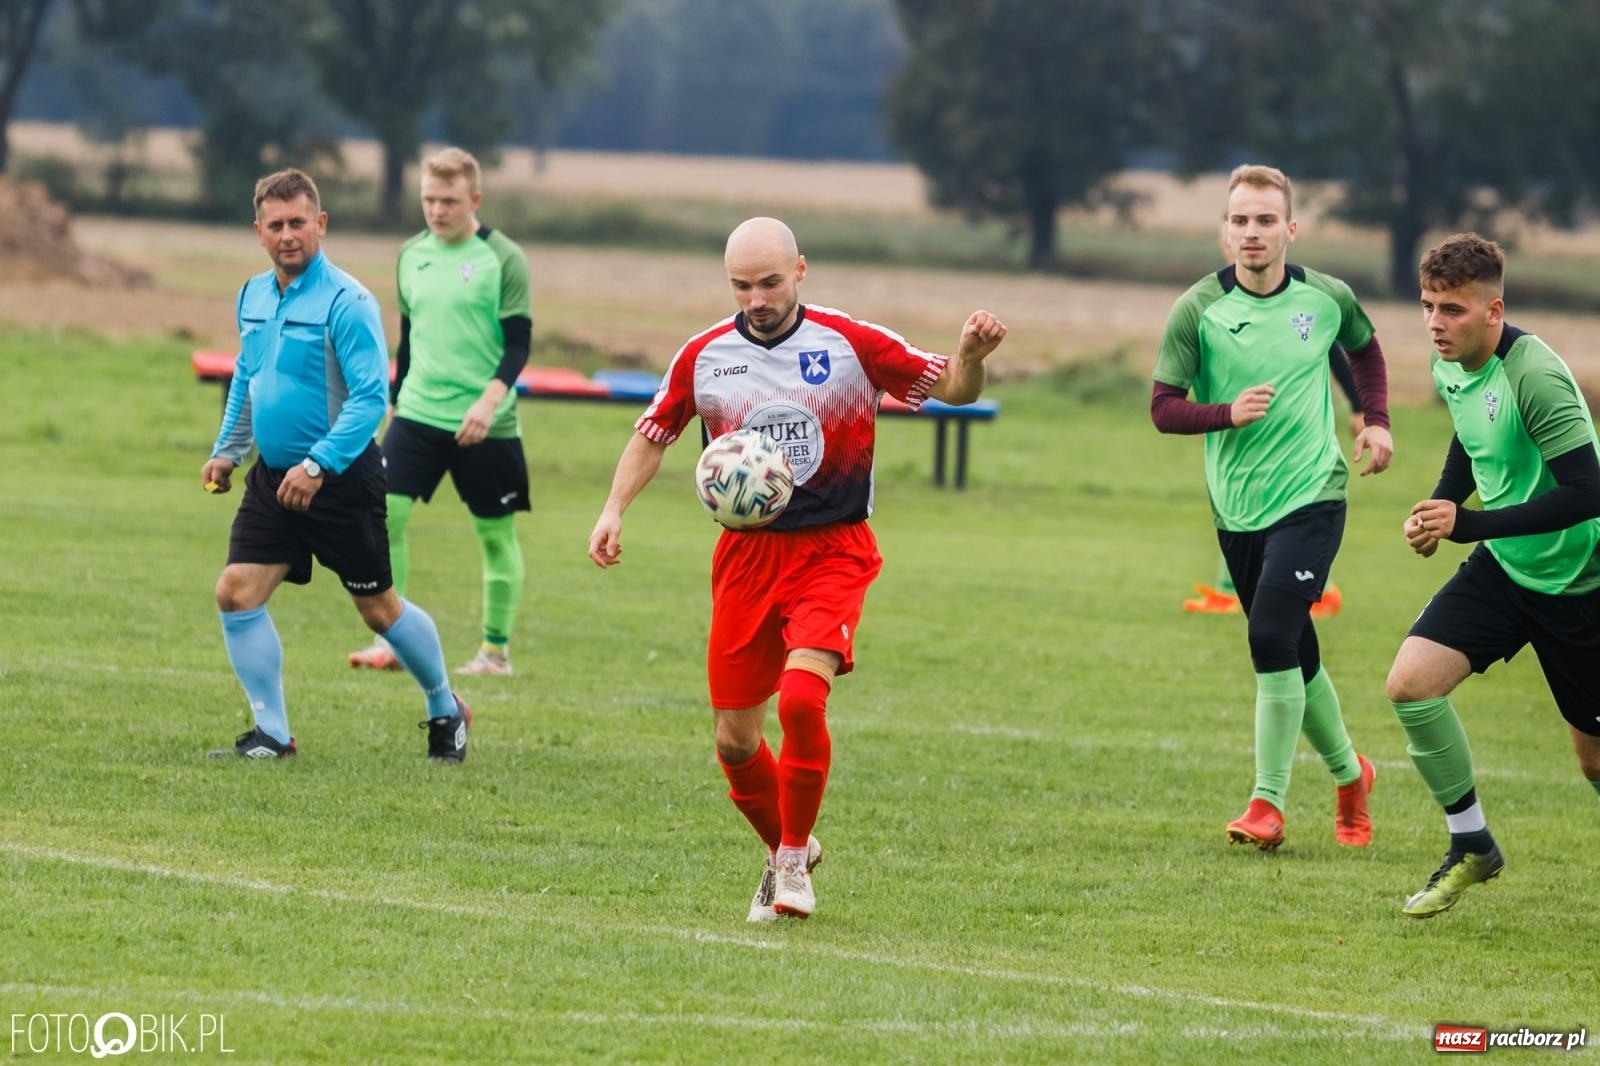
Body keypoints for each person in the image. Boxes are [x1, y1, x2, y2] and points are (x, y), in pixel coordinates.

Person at [586, 217, 1006, 920]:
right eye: (742, 285)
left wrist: (970, 355)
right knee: (734, 740)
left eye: (770, 281)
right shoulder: (705, 355)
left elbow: (955, 390)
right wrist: (612, 510)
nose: (756, 297)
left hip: (832, 550)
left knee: (801, 702)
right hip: (747, 559)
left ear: (801, 270)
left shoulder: (850, 343)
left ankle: (789, 860)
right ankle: (788, 847)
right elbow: (653, 433)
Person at [1151, 164, 1394, 851]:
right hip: (1237, 509)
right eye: (1239, 221)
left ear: (1290, 229)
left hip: (1314, 495)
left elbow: (1364, 346)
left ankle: (1267, 803)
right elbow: (1163, 410)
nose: (1251, 233)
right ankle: (1353, 776)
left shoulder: (1324, 297)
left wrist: (1374, 419)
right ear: (1224, 233)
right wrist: (1226, 412)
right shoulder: (1198, 309)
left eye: (1264, 220)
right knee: (1294, 647)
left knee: (1267, 638)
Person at [202, 168, 471, 761]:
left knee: (379, 610)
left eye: (299, 222)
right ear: (259, 232)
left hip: (341, 480)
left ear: (320, 224)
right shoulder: (250, 295)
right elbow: (248, 378)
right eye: (276, 225)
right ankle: (272, 734)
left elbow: (371, 399)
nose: (288, 235)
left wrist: (319, 465)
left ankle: (446, 708)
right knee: (236, 592)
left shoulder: (348, 302)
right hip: (275, 480)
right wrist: (229, 449)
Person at [1386, 233, 1600, 917]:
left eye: (1451, 310)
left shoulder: (1533, 375)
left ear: (1493, 310)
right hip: (1506, 570)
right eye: (1427, 307)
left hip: (1578, 582)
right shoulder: (1450, 359)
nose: (1434, 324)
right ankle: (1472, 845)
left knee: (1594, 762)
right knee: (1411, 686)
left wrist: (1469, 525)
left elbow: (1587, 492)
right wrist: (1448, 502)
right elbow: (1467, 428)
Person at [348, 148, 534, 677]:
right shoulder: (410, 255)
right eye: (428, 199)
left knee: (495, 535)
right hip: (418, 413)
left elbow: (518, 343)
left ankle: (494, 654)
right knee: (384, 515)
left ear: (473, 199)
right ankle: (391, 641)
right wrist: (393, 402)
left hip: (486, 421)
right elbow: (409, 340)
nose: (436, 210)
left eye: (448, 201)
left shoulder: (504, 257)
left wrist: (488, 401)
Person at [1184, 345, 1364, 616]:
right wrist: (1212, 412)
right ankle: (1231, 589)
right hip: (1247, 424)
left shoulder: (1303, 310)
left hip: (1287, 428)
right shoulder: (1235, 312)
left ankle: (1320, 592)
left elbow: (1332, 350)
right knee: (1242, 499)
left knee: (1278, 505)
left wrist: (1359, 408)